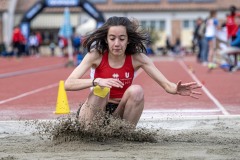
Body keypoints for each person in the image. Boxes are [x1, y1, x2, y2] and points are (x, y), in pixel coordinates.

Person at [64, 17, 202, 128]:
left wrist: (175, 89)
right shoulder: (96, 55)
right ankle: (89, 133)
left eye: (122, 39)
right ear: (106, 39)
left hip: (119, 113)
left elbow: (167, 85)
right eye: (112, 38)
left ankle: (124, 135)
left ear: (128, 40)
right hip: (94, 110)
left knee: (137, 90)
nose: (117, 43)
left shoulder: (138, 58)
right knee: (102, 89)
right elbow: (68, 84)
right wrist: (96, 81)